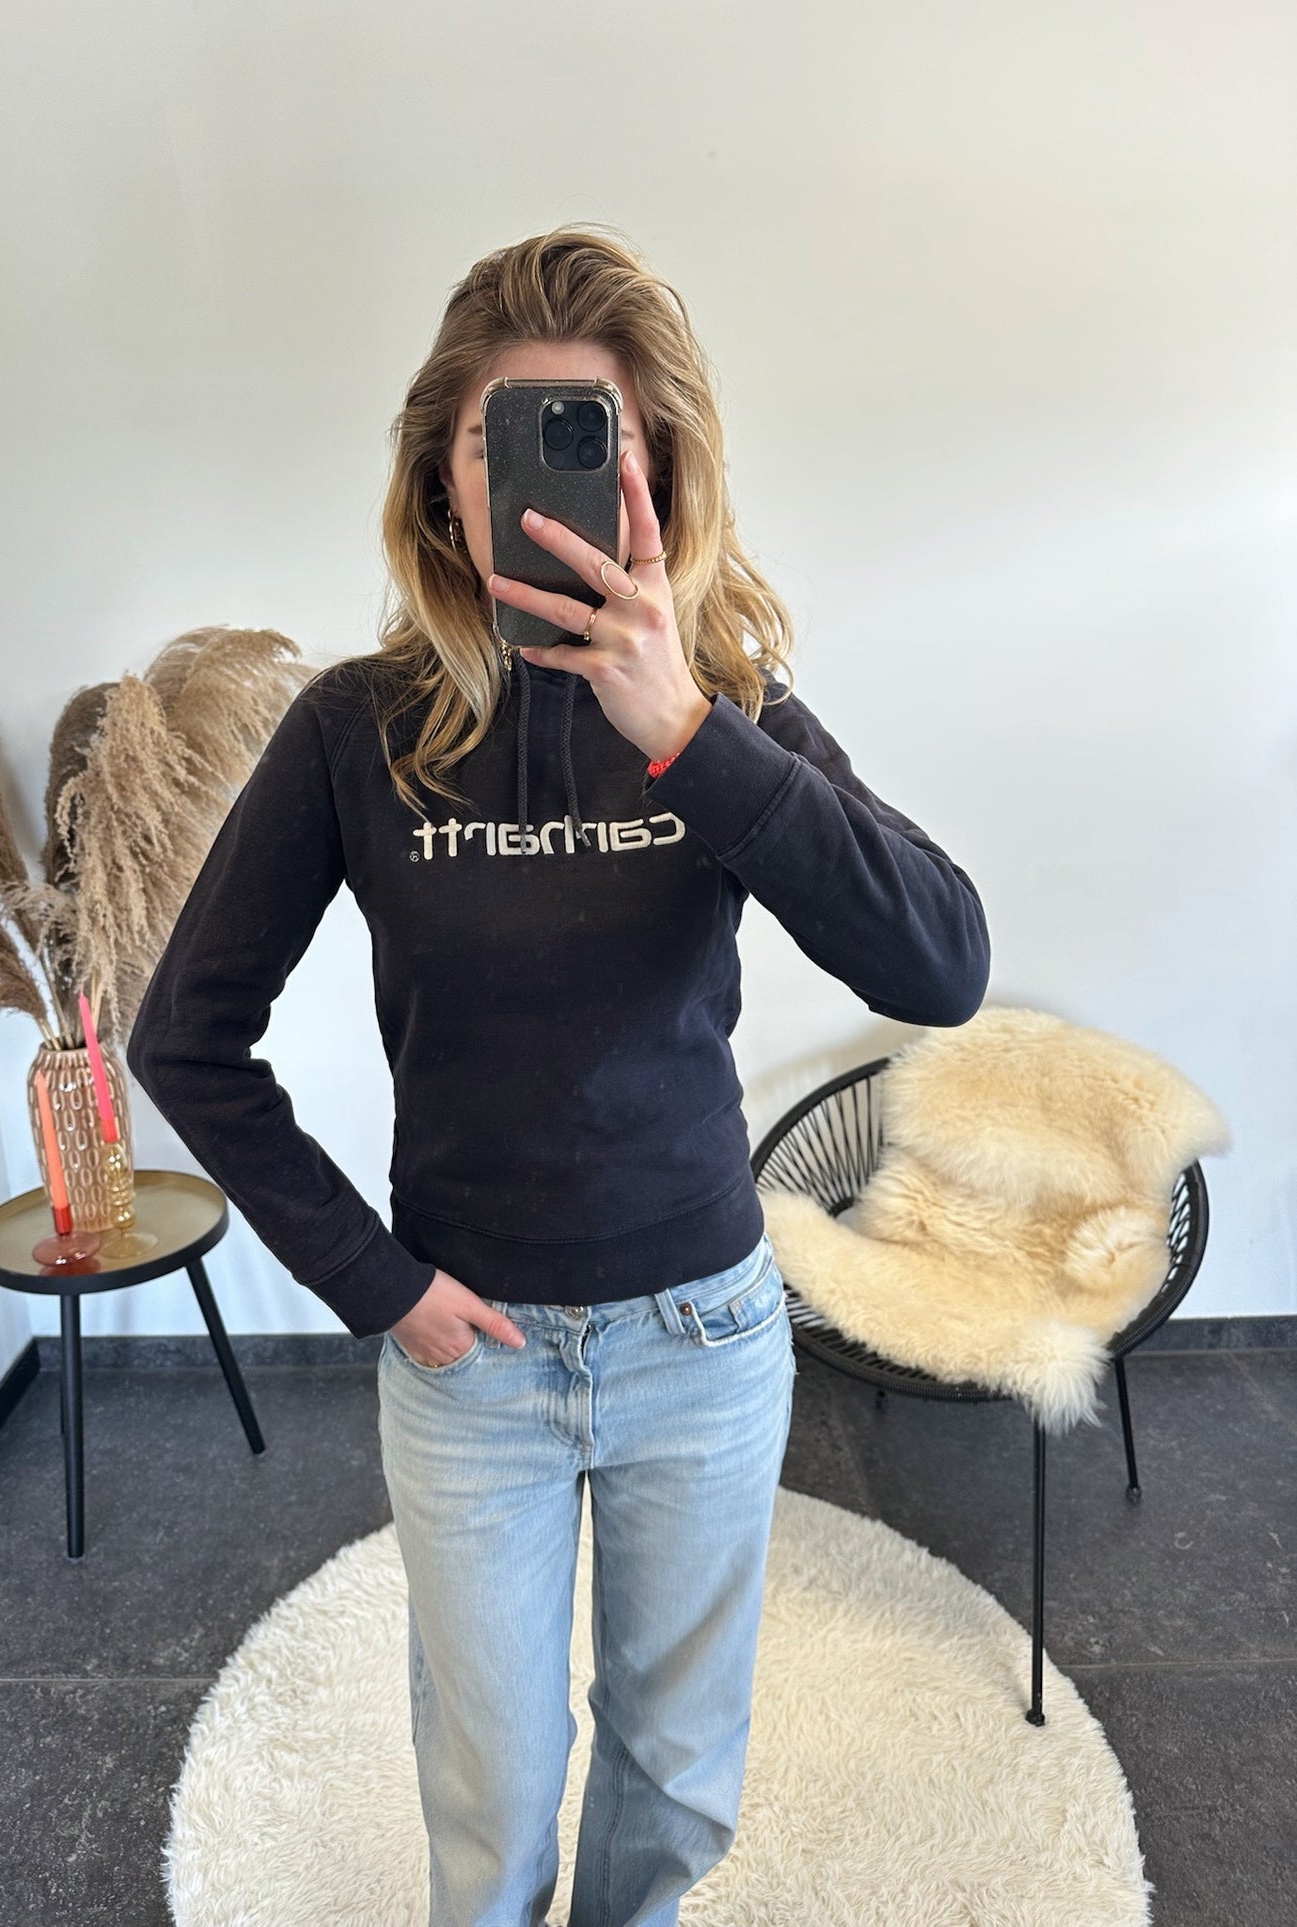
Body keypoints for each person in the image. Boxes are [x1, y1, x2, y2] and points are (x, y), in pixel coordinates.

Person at [127, 223, 990, 1927]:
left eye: (597, 439)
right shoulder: (357, 730)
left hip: (702, 1337)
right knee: (494, 1790)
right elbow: (186, 1039)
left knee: (676, 1773)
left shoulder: (727, 712)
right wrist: (375, 1284)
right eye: (498, 439)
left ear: (655, 473)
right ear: (440, 478)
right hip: (473, 1361)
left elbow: (938, 966)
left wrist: (689, 732)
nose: (541, 485)